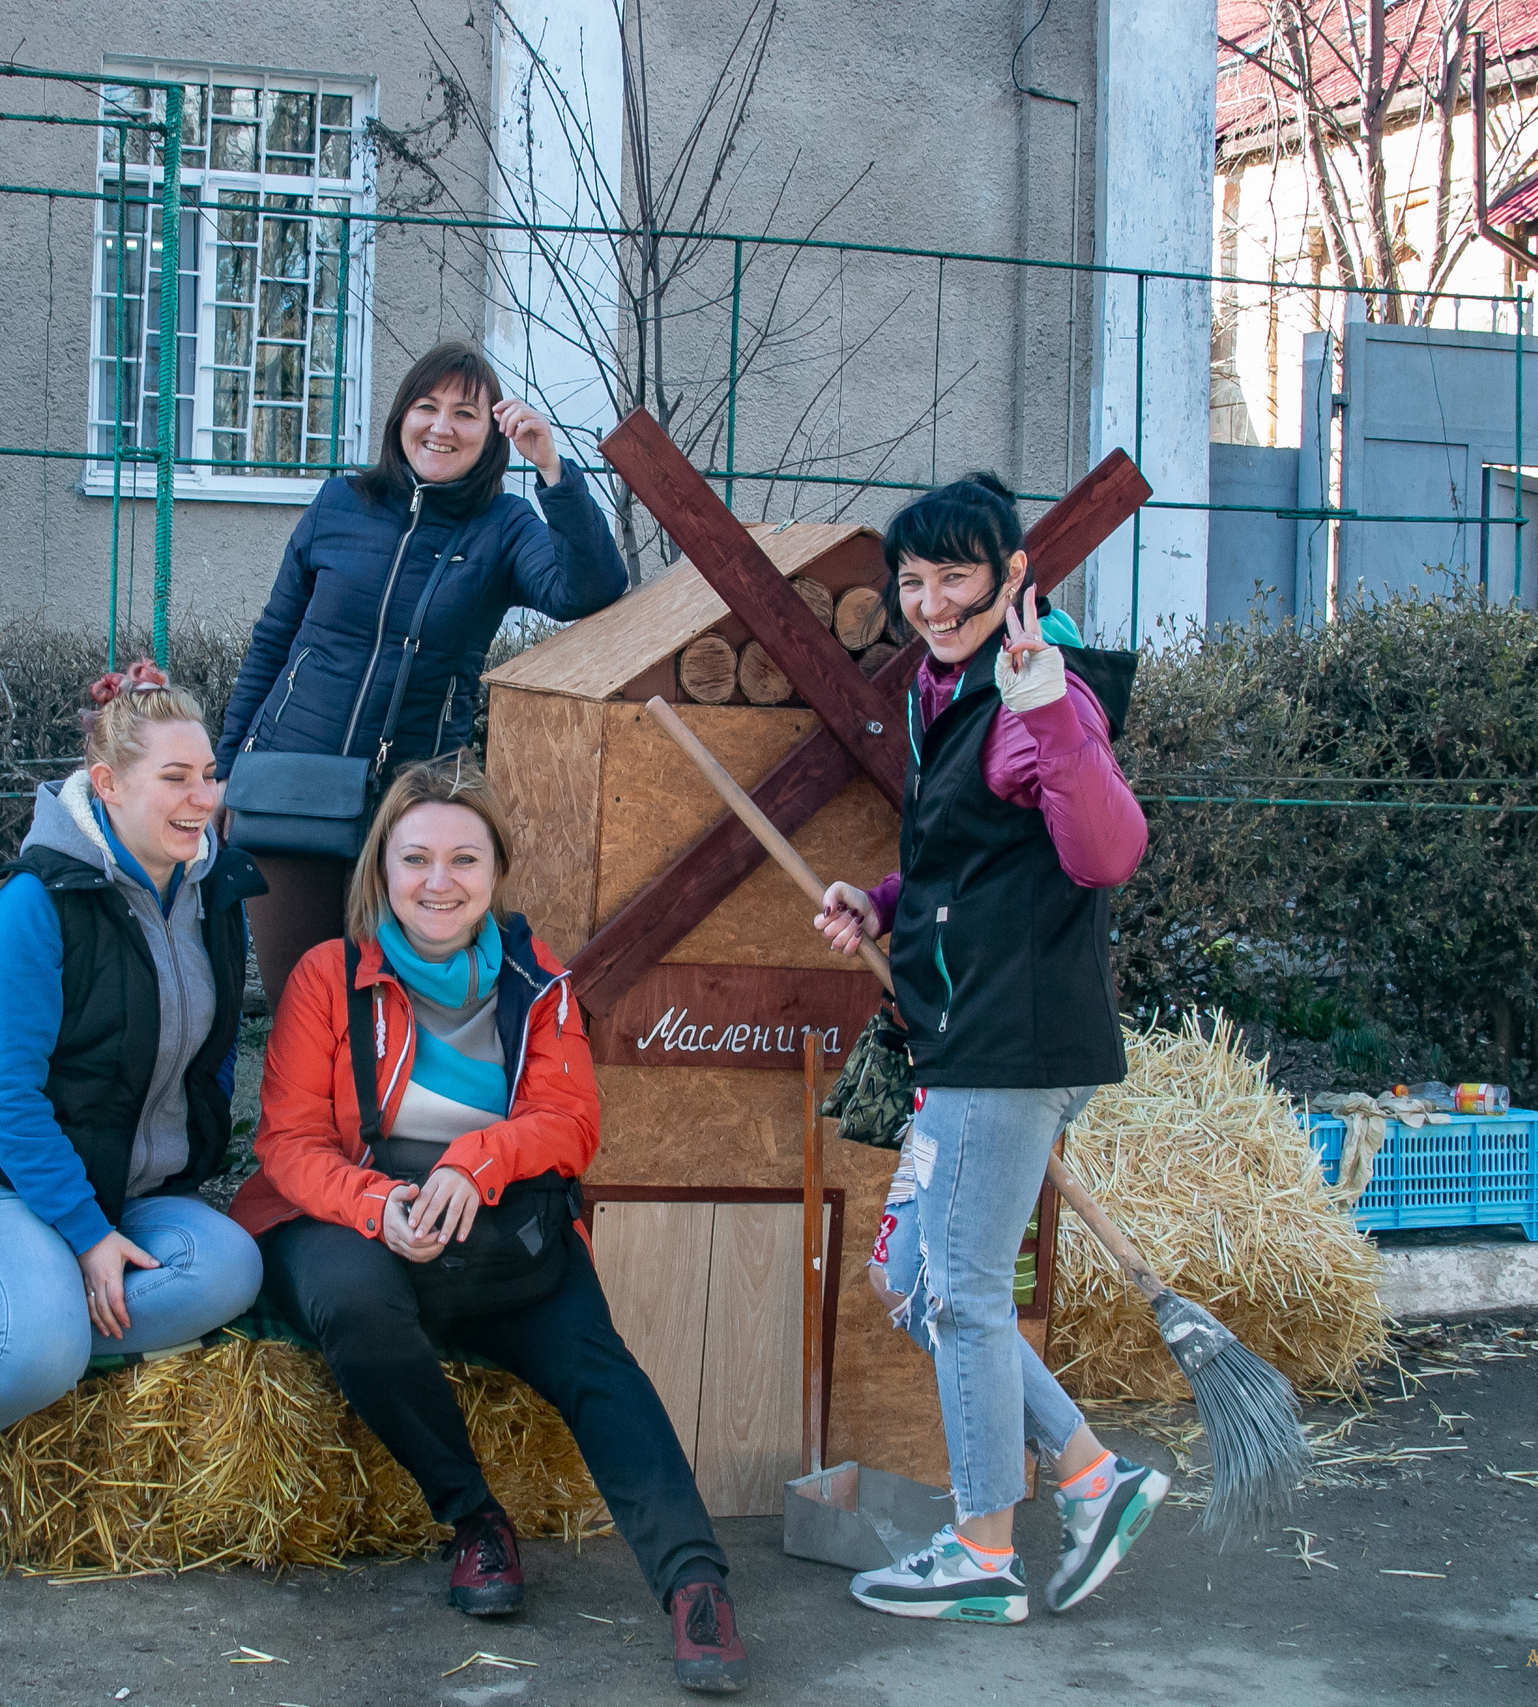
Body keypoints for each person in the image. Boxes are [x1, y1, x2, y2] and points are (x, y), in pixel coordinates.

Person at [230, 755, 751, 1695]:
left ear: (496, 871)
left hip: (498, 1224)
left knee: (597, 1366)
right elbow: (290, 1143)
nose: (439, 881)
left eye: (464, 859)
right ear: (381, 869)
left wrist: (478, 1160)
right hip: (352, 1213)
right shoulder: (330, 976)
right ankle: (474, 1520)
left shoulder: (536, 978)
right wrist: (380, 1203)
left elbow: (571, 1122)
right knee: (352, 1301)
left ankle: (695, 1583)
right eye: (416, 857)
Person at [810, 473, 1172, 1624]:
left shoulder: (1029, 691)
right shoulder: (944, 688)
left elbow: (1107, 852)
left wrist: (1049, 706)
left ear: (1013, 575)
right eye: (910, 583)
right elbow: (965, 861)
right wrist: (880, 902)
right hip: (962, 1031)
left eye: (953, 576)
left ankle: (980, 1552)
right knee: (914, 1284)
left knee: (959, 1294)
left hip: (1010, 1038)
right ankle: (1090, 1475)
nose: (928, 601)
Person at [0, 663, 267, 1573]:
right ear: (108, 785)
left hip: (134, 1185)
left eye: (208, 775)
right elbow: (5, 1100)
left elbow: (208, 1060)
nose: (201, 797)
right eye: (174, 778)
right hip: (7, 1189)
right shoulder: (35, 903)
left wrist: (180, 1162)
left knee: (229, 1266)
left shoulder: (211, 893)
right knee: (48, 1347)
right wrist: (87, 1236)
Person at [215, 338, 627, 1010]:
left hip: (416, 803)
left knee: (396, 1010)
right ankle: (302, 1121)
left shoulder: (504, 526)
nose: (441, 426)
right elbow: (272, 641)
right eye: (427, 406)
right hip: (292, 786)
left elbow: (588, 588)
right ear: (401, 415)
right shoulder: (339, 504)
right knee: (303, 1007)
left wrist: (553, 469)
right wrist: (225, 769)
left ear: (491, 432)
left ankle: (383, 1121)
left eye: (465, 413)